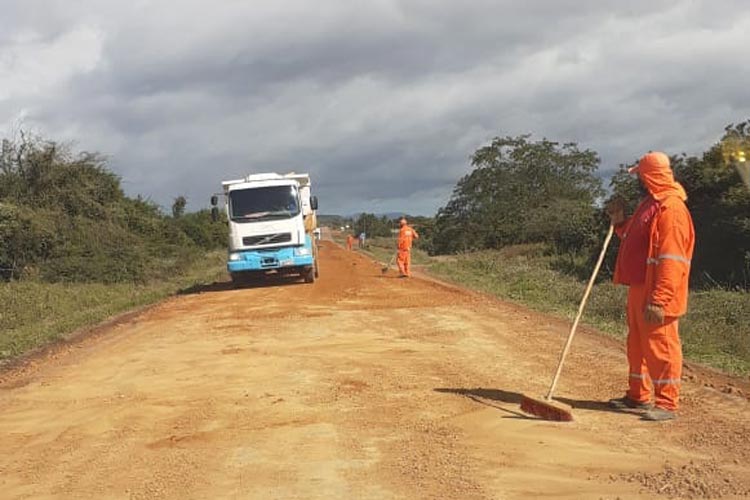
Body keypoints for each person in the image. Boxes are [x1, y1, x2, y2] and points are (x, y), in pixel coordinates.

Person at [606, 152, 695, 421]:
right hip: (639, 286)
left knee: (661, 345)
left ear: (650, 175)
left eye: (641, 175)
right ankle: (638, 396)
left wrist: (660, 299)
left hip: (657, 290)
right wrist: (620, 222)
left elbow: (673, 259)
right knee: (637, 344)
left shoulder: (672, 210)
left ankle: (667, 403)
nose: (639, 180)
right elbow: (634, 238)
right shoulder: (651, 203)